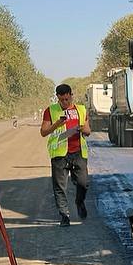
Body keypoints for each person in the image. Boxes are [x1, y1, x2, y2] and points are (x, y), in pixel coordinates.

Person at [40, 83, 91, 225]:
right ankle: (64, 216)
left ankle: (79, 202)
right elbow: (43, 132)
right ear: (57, 97)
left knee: (83, 183)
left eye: (67, 99)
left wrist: (81, 129)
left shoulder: (81, 110)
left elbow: (88, 131)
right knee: (59, 187)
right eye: (61, 100)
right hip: (60, 155)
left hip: (78, 153)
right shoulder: (50, 111)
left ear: (71, 96)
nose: (64, 103)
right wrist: (57, 124)